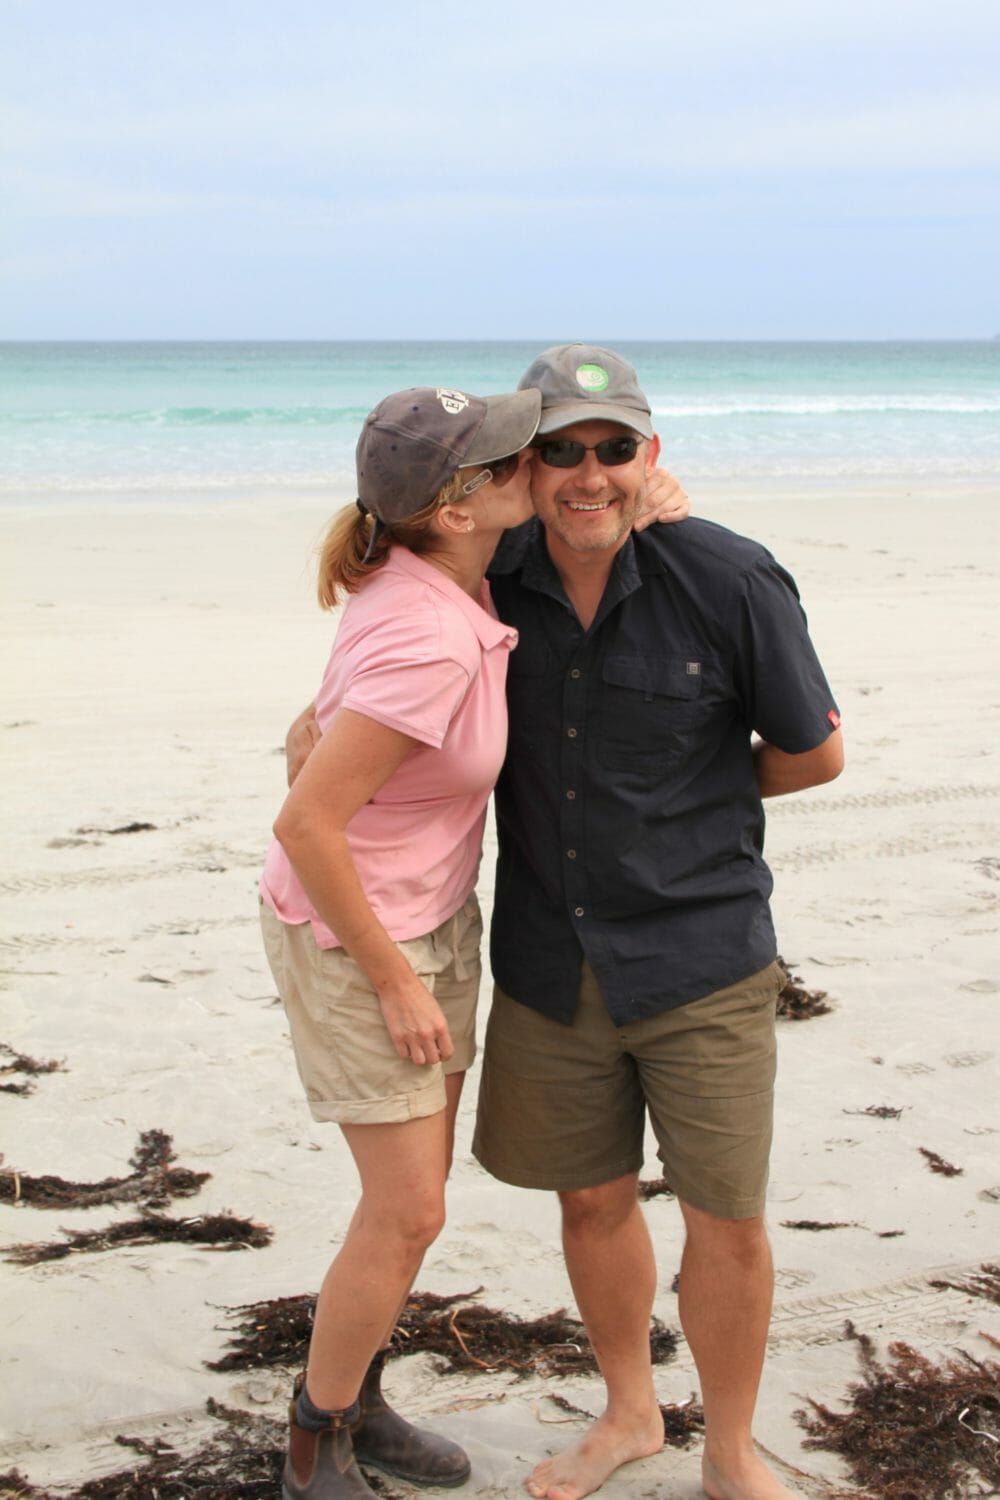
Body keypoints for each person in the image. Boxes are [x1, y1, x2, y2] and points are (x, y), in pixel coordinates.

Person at [287, 343, 842, 1500]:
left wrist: (689, 801)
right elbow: (375, 629)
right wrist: (310, 737)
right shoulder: (489, 569)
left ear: (652, 453)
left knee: (725, 1220)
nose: (589, 473)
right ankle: (629, 1414)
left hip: (701, 954)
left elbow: (814, 754)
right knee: (588, 1202)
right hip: (547, 956)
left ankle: (730, 1453)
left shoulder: (728, 578)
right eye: (561, 451)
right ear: (523, 470)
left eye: (615, 448)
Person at [259, 382, 544, 1500]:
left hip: (429, 912)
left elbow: (328, 728)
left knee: (408, 1208)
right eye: (511, 461)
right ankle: (315, 1438)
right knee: (410, 1207)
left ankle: (357, 1397)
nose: (536, 465)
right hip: (358, 938)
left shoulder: (443, 575)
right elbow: (306, 823)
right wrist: (394, 982)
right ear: (456, 509)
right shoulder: (431, 635)